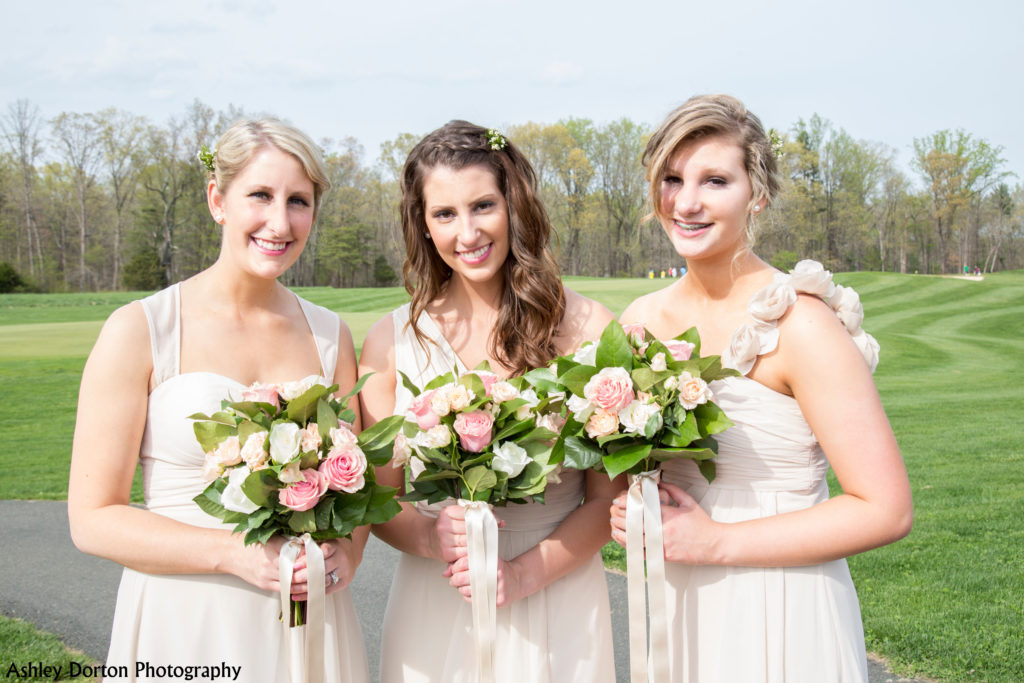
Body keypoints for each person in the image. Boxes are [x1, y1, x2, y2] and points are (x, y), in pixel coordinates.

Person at [611, 94, 913, 682]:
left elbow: (886, 510)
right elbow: (631, 469)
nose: (688, 202)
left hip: (782, 602)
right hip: (679, 601)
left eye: (715, 180)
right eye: (672, 178)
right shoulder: (638, 323)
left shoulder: (799, 324)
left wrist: (716, 542)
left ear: (759, 193)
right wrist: (630, 508)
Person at [68, 119, 369, 681]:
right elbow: (92, 520)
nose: (280, 222)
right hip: (186, 622)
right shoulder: (140, 330)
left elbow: (356, 493)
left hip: (309, 628)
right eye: (260, 195)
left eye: (298, 201)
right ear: (217, 199)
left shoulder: (330, 336)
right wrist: (235, 553)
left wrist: (346, 554)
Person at [359, 120, 619, 682]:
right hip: (437, 593)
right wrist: (430, 535)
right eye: (445, 214)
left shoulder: (587, 327)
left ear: (514, 206)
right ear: (423, 226)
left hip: (557, 593)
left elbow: (607, 501)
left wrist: (523, 575)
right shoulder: (391, 342)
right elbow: (380, 503)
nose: (468, 232)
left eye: (483, 206)